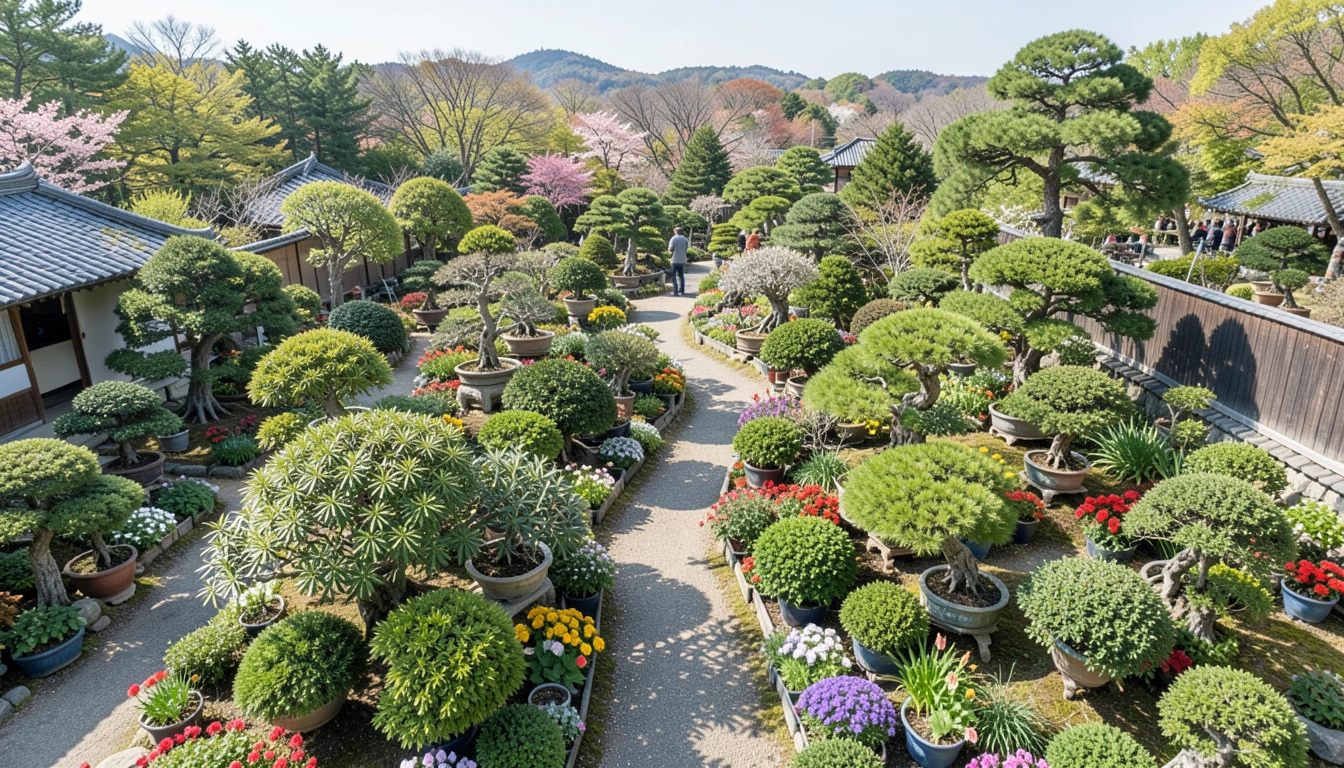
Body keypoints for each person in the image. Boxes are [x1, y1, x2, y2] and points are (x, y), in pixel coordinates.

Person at [668, 227, 689, 296]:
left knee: (673, 276)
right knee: (681, 275)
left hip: (675, 259)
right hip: (683, 259)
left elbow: (670, 249)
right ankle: (682, 290)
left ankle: (675, 291)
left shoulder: (674, 238)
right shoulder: (685, 239)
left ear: (676, 231)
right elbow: (686, 248)